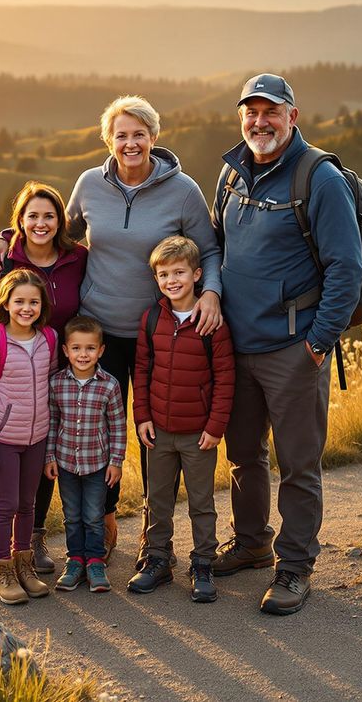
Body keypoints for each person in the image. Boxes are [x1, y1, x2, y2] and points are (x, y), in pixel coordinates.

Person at [0, 96, 223, 568]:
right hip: (94, 336)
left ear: (154, 138)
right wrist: (2, 238)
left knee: (153, 432)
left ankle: (152, 543)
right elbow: (51, 231)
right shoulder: (90, 184)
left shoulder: (183, 191)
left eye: (139, 134)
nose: (130, 143)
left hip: (159, 334)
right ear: (108, 140)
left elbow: (210, 251)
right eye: (121, 135)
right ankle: (69, 531)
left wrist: (211, 293)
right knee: (79, 427)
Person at [209, 74, 362, 615]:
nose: (259, 122)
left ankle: (294, 567)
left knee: (299, 465)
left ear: (292, 116)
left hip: (294, 349)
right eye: (250, 112)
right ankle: (253, 543)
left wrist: (319, 343)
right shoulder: (230, 173)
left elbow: (347, 266)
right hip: (237, 347)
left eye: (270, 112)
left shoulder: (317, 177)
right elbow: (216, 247)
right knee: (244, 455)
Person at [0, 181, 87, 580]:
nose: (41, 223)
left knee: (40, 452)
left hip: (56, 364)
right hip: (10, 364)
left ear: (60, 221)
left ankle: (31, 539)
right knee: (4, 458)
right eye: (32, 216)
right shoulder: (5, 260)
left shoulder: (77, 257)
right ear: (19, 220)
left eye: (49, 216)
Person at [126, 236, 234, 602]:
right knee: (158, 500)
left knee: (202, 503)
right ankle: (157, 560)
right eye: (163, 274)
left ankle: (203, 563)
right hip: (159, 431)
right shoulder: (152, 318)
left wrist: (215, 427)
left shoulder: (212, 322)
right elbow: (141, 370)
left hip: (198, 434)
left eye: (179, 272)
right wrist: (142, 416)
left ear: (197, 274)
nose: (172, 280)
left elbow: (225, 378)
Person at [0, 268, 58, 605]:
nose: (26, 308)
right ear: (6, 303)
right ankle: (2, 571)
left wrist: (49, 448)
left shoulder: (49, 338)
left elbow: (47, 388)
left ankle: (24, 566)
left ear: (41, 305)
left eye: (33, 302)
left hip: (36, 438)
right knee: (5, 506)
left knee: (27, 505)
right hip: (3, 440)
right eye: (19, 301)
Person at [44, 315, 125, 594]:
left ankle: (95, 562)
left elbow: (117, 426)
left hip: (97, 465)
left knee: (93, 514)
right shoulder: (56, 384)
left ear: (100, 350)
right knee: (72, 515)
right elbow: (52, 422)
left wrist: (116, 462)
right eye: (76, 348)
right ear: (65, 350)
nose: (83, 354)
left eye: (90, 348)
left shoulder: (109, 385)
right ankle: (75, 561)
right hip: (65, 463)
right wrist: (49, 457)